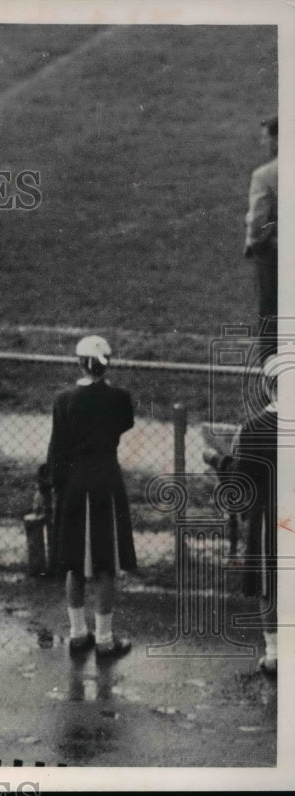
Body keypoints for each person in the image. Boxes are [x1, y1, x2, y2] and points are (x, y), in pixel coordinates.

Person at [46, 335, 137, 658]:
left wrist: (54, 486)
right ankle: (104, 638)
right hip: (106, 484)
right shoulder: (120, 398)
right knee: (105, 565)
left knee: (74, 562)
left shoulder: (63, 400)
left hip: (73, 485)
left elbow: (57, 450)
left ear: (79, 362)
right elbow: (124, 423)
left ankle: (77, 633)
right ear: (108, 362)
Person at [232, 353, 280, 677]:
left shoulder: (252, 427)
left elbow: (241, 485)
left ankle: (274, 651)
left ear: (267, 386)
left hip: (267, 515)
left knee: (269, 585)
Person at [244, 115, 278, 352]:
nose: (263, 144)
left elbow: (259, 224)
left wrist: (255, 242)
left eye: (266, 138)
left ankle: (273, 375)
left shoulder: (265, 175)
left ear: (278, 140)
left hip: (276, 256)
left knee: (271, 314)